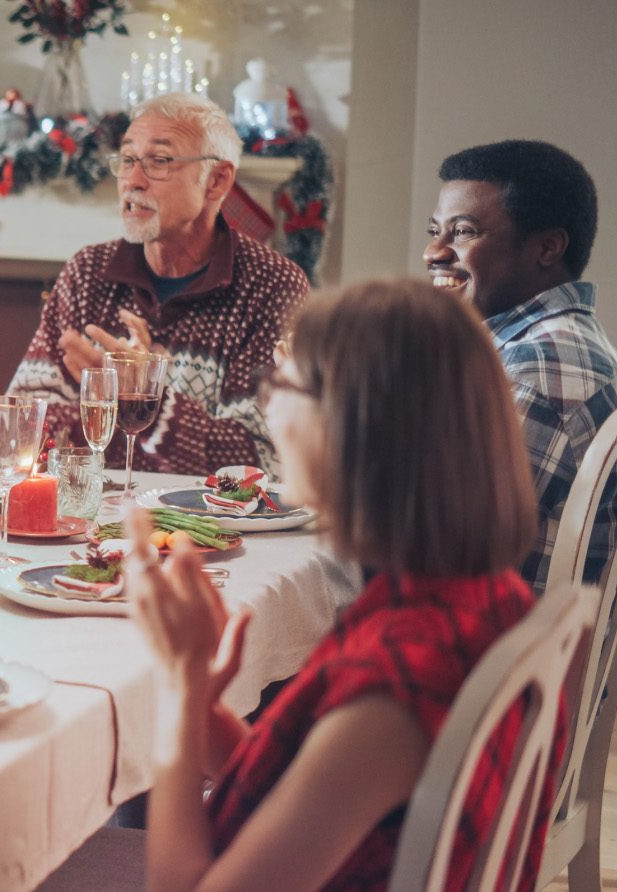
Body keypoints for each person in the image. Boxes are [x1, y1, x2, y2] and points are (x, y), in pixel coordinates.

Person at [127, 278, 549, 890]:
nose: (266, 407)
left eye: (282, 385)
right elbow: (306, 784)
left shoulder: (397, 685)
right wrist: (207, 709)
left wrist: (179, 688)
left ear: (353, 429)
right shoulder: (475, 596)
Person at [5, 92, 309, 476]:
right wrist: (110, 397)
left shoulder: (272, 287)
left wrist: (148, 401)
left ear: (217, 181)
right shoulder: (88, 272)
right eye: (129, 160)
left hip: (213, 532)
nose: (132, 180)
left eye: (159, 161)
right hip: (94, 522)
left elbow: (267, 460)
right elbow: (20, 427)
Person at [427, 140, 617, 590]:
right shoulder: (557, 341)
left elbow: (450, 553)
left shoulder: (535, 367)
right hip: (533, 637)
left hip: (497, 652)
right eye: (434, 230)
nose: (434, 252)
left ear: (547, 248)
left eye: (462, 232)